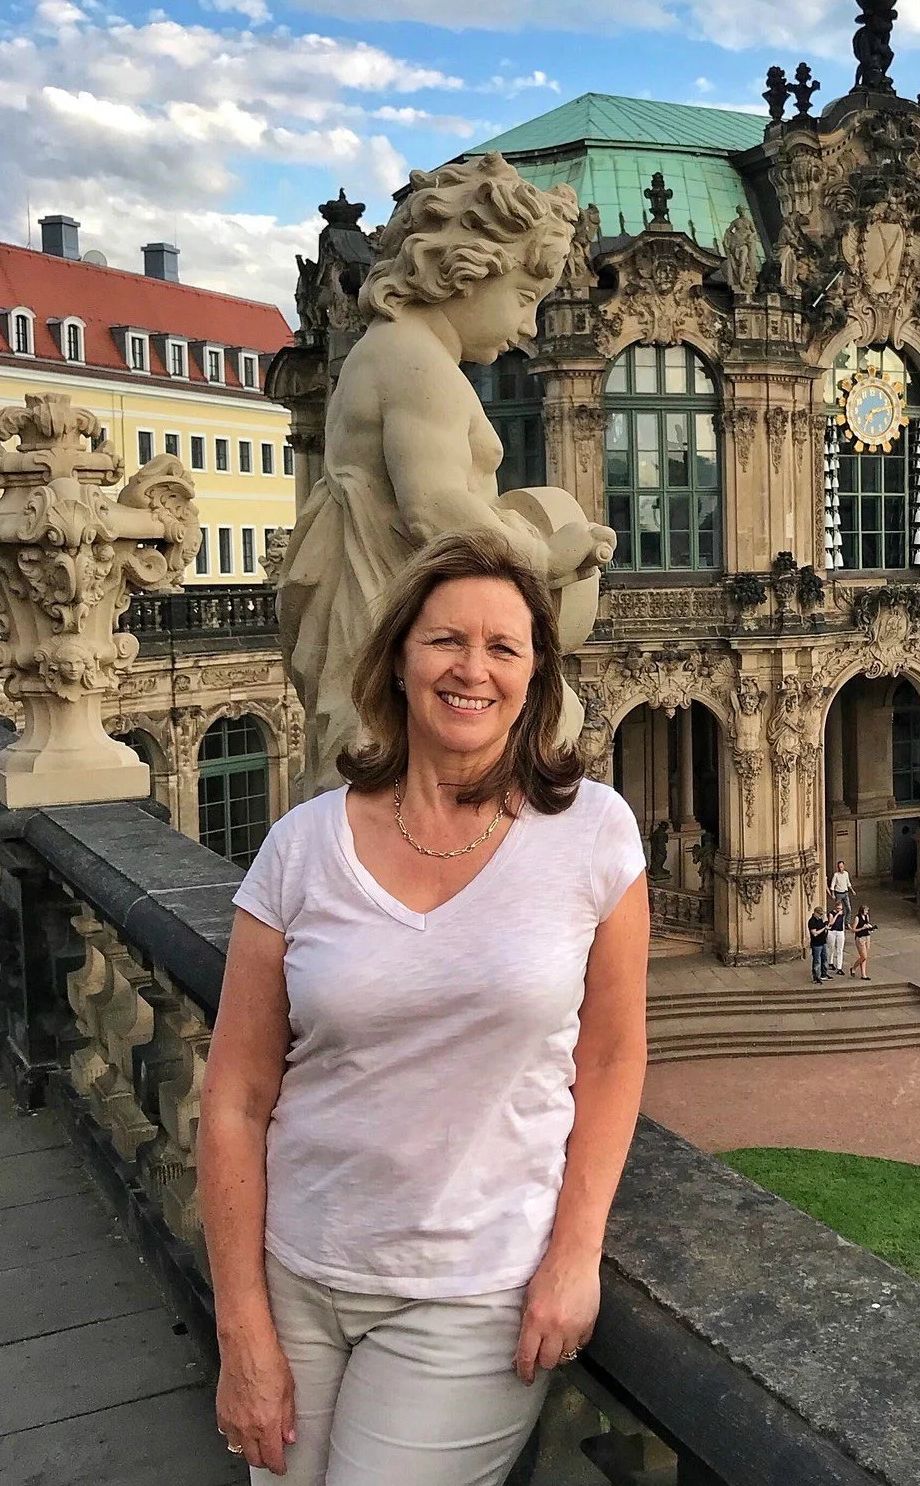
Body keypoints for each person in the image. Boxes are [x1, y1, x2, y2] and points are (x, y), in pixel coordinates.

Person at [198, 529, 650, 1484]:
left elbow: (611, 1059)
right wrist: (240, 1326)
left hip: (470, 1293)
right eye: (446, 640)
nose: (472, 669)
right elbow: (235, 1096)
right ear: (399, 658)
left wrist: (576, 1253)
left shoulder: (593, 836)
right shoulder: (300, 846)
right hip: (297, 1269)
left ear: (535, 676)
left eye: (503, 647)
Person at [851, 906, 876, 981]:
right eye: (865, 910)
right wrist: (862, 928)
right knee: (863, 956)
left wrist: (870, 928)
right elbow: (853, 929)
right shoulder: (857, 918)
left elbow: (867, 925)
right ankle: (854, 967)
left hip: (867, 936)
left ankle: (863, 974)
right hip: (860, 937)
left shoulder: (866, 916)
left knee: (865, 956)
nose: (866, 912)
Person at [807, 906, 830, 984]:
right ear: (815, 913)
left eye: (821, 914)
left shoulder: (820, 919)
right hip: (816, 944)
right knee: (817, 961)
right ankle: (816, 977)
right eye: (819, 914)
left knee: (824, 959)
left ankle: (824, 974)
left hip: (823, 942)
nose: (821, 915)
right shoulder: (812, 921)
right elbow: (815, 933)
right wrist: (824, 928)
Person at [828, 860, 853, 926]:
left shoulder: (846, 873)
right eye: (839, 867)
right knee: (838, 909)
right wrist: (833, 894)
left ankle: (847, 922)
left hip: (845, 893)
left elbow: (848, 883)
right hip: (838, 894)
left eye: (841, 867)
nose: (840, 868)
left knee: (849, 908)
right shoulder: (836, 875)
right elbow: (832, 884)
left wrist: (852, 890)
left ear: (844, 866)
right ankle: (838, 922)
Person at [827, 902, 847, 977]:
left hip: (840, 931)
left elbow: (842, 923)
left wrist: (843, 932)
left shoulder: (842, 914)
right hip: (832, 931)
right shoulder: (831, 913)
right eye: (838, 908)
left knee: (840, 950)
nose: (839, 909)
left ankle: (839, 967)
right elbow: (831, 922)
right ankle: (830, 962)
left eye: (840, 908)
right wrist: (837, 914)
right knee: (831, 948)